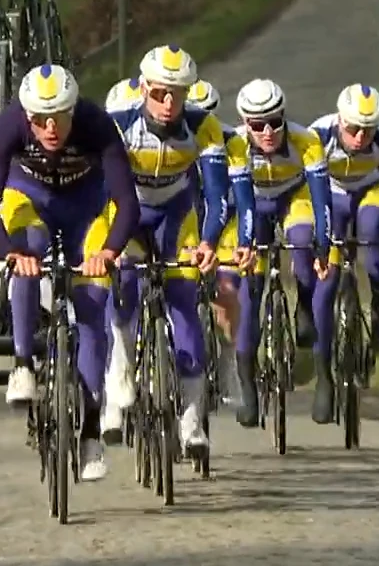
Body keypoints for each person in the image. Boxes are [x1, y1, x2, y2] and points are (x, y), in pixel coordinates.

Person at [0, 63, 140, 481]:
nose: (50, 128)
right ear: (27, 116)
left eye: (59, 118)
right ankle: (23, 364)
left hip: (85, 207)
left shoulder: (96, 125)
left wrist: (110, 251)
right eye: (40, 120)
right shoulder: (9, 123)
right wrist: (9, 253)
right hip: (29, 200)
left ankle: (88, 435)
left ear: (73, 111)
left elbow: (126, 200)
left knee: (92, 304)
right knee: (28, 250)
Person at [104, 45, 237, 455]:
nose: (167, 103)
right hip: (127, 209)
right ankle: (120, 375)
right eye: (159, 93)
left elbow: (217, 197)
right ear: (143, 88)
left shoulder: (205, 127)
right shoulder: (118, 123)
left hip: (177, 213)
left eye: (177, 94)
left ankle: (192, 421)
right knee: (124, 282)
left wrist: (209, 243)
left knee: (184, 303)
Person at [222, 78, 330, 429]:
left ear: (285, 117)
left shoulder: (306, 141)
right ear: (244, 122)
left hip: (293, 197)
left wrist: (323, 245)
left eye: (274, 122)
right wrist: (247, 244)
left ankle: (303, 305)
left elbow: (320, 198)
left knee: (301, 241)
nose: (267, 131)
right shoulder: (236, 145)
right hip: (252, 204)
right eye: (256, 124)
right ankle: (248, 386)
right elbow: (237, 202)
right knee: (249, 292)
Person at [307, 81, 379, 423]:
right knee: (326, 285)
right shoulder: (318, 136)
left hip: (372, 190)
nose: (360, 139)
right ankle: (323, 375)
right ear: (339, 120)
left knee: (370, 231)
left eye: (368, 131)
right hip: (332, 197)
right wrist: (321, 244)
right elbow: (312, 195)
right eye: (353, 129)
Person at [186, 78, 244, 403]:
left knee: (226, 292)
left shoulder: (230, 141)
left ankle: (228, 361)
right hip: (183, 220)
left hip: (223, 222)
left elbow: (235, 197)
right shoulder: (168, 140)